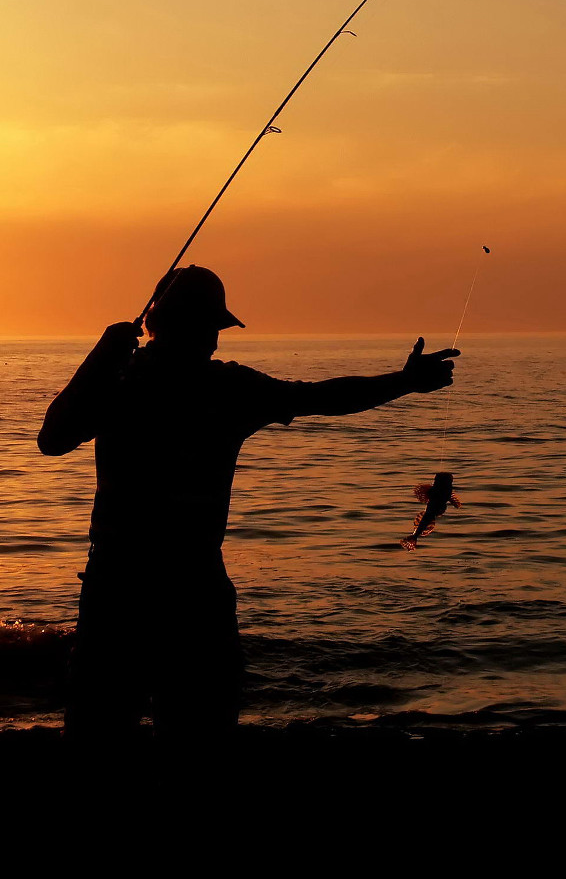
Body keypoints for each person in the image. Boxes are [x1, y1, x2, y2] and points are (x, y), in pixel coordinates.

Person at [38, 265, 459, 761]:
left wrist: (100, 359)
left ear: (152, 320)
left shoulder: (122, 383)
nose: (214, 341)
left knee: (101, 738)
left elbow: (54, 437)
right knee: (196, 739)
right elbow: (323, 398)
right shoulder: (218, 389)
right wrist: (404, 382)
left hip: (120, 586)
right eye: (209, 328)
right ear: (179, 325)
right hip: (187, 590)